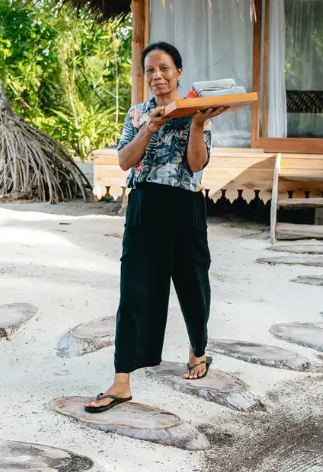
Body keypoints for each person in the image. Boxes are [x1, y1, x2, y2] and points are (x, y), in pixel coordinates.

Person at [85, 41, 229, 412]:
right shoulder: (136, 114)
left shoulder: (199, 112)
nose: (157, 76)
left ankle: (199, 352)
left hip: (185, 205)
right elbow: (123, 161)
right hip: (145, 205)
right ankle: (121, 381)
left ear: (179, 72)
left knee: (193, 283)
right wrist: (149, 128)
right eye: (150, 70)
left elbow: (197, 165)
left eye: (164, 68)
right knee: (134, 290)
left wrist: (196, 125)